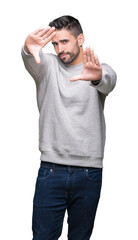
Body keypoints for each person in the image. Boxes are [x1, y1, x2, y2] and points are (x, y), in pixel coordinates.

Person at [21, 15, 117, 240]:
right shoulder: (47, 67)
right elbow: (31, 57)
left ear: (80, 39)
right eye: (54, 44)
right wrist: (27, 48)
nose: (59, 49)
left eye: (64, 41)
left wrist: (97, 78)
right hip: (51, 170)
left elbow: (109, 80)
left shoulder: (98, 69)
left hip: (89, 172)